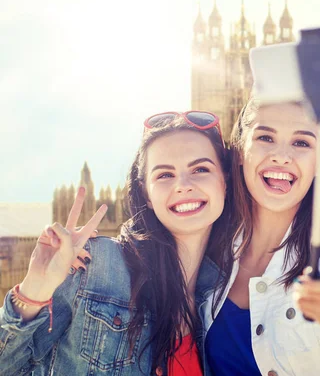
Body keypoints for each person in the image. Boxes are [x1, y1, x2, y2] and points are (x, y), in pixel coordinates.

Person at [0, 111, 230, 375]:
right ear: (145, 193)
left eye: (200, 169)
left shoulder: (230, 292)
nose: (183, 185)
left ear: (225, 180)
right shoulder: (94, 267)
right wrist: (33, 291)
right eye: (165, 175)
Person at [202, 97, 320, 375]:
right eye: (265, 137)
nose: (281, 156)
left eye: (301, 143)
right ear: (239, 150)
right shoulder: (209, 247)